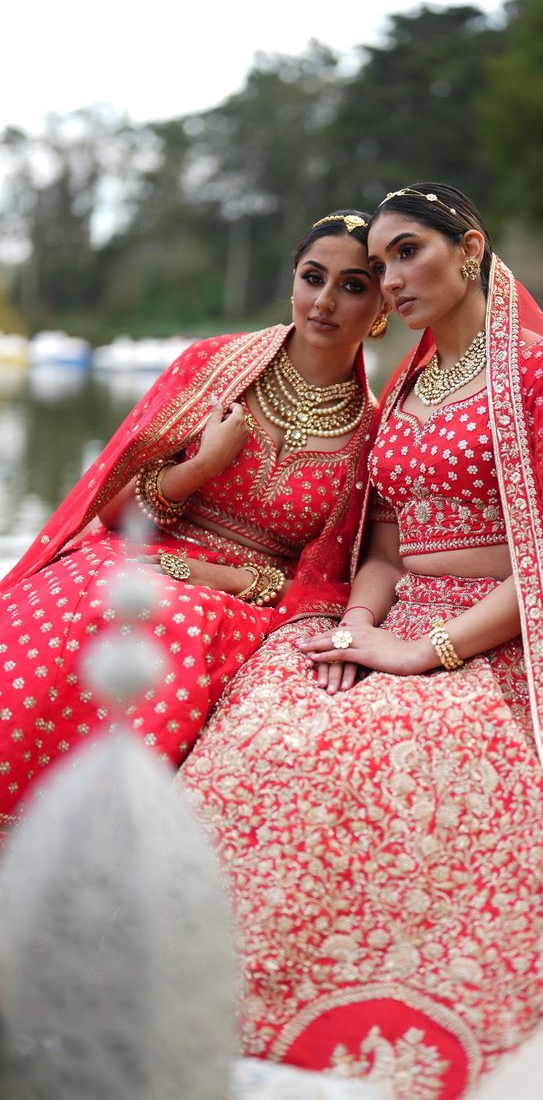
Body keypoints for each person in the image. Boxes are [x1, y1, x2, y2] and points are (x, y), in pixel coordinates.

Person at [177, 184, 543, 1097]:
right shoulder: (411, 381)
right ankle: (222, 994)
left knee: (401, 747)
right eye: (380, 263)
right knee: (273, 719)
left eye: (408, 253)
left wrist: (422, 652)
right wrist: (358, 624)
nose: (388, 278)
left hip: (507, 631)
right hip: (393, 615)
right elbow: (386, 544)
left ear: (469, 248)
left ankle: (393, 1017)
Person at [0, 209, 387, 832]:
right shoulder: (214, 369)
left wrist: (228, 581)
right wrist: (202, 464)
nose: (324, 300)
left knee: (173, 622)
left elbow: (333, 578)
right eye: (313, 277)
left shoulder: (375, 433)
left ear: (383, 306)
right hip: (143, 550)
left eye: (352, 286)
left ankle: (109, 840)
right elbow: (114, 511)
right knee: (89, 605)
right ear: (292, 282)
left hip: (251, 600)